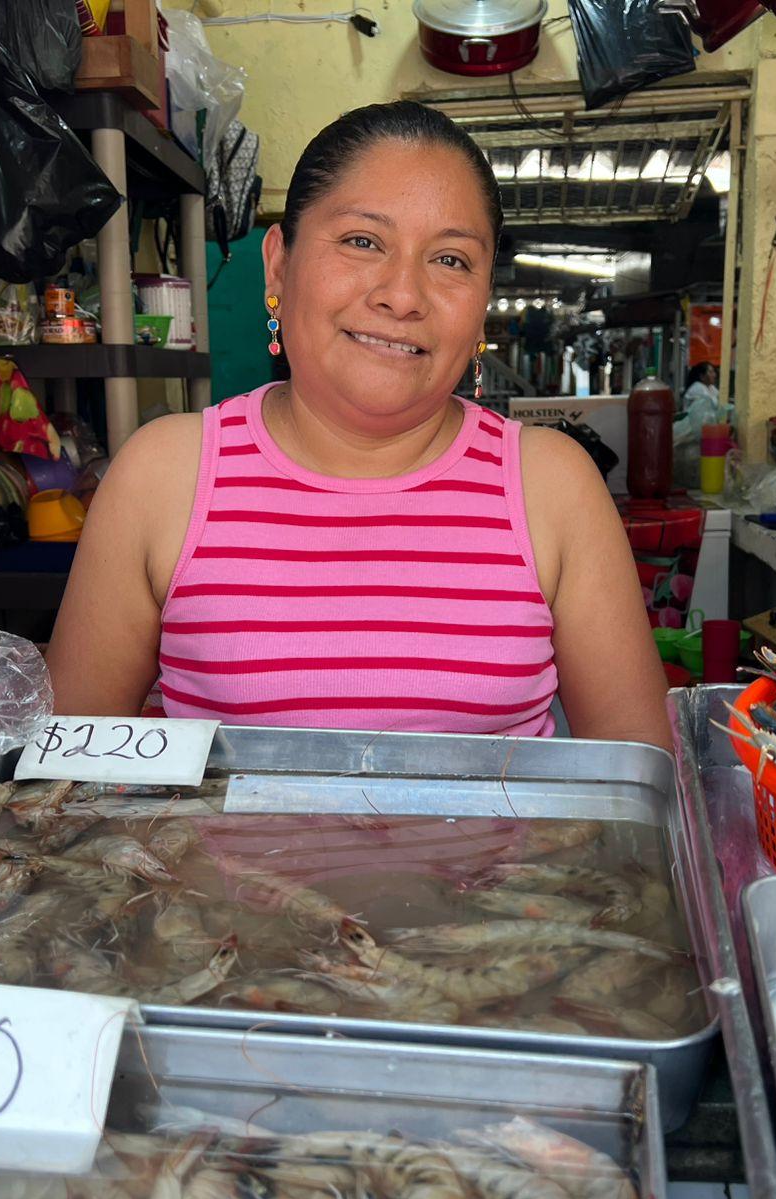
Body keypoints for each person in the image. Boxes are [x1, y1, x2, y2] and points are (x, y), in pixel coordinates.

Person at [46, 101, 672, 750]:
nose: (402, 295)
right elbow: (64, 769)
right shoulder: (164, 475)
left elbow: (639, 767)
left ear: (483, 304)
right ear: (279, 266)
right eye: (362, 241)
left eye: (451, 260)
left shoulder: (552, 485)